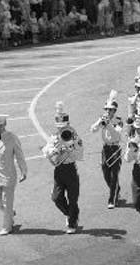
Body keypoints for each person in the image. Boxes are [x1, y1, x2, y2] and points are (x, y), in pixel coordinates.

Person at [42, 103, 83, 234]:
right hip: (59, 170)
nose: (61, 129)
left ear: (68, 124)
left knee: (73, 198)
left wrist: (71, 149)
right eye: (59, 127)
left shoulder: (74, 136)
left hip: (70, 169)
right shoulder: (54, 137)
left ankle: (72, 223)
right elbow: (46, 151)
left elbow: (80, 154)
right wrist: (54, 151)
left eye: (63, 126)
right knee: (56, 197)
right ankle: (71, 214)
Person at [89, 92, 124, 209]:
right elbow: (92, 130)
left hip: (115, 148)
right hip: (105, 148)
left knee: (114, 174)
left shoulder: (118, 121)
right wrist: (99, 123)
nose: (108, 112)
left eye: (110, 110)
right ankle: (116, 190)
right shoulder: (103, 119)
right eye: (107, 110)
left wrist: (108, 125)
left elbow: (117, 135)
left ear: (114, 111)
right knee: (105, 172)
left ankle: (112, 199)